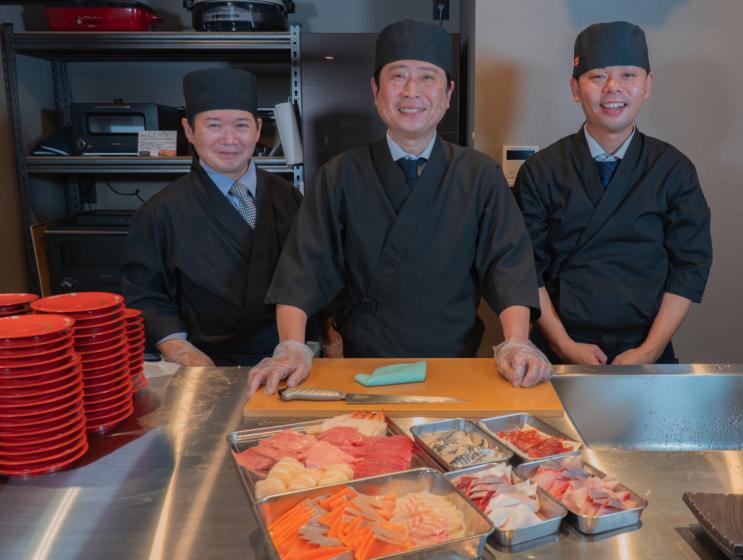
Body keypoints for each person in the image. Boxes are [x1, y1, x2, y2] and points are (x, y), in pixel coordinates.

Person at [248, 19, 551, 395]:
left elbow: (509, 268)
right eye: (397, 77)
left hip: (455, 368)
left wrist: (517, 341)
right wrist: (291, 346)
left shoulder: (480, 175)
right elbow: (303, 268)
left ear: (448, 92)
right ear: (376, 89)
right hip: (364, 370)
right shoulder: (339, 174)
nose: (412, 91)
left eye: (427, 77)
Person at [514, 21, 713, 365]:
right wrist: (563, 345)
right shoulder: (541, 170)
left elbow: (690, 265)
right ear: (575, 89)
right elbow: (525, 269)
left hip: (646, 348)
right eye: (597, 77)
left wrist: (649, 351)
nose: (613, 88)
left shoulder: (673, 169)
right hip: (556, 350)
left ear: (648, 85)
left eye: (628, 76)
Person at [121, 68, 302, 367]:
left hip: (287, 358)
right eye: (214, 125)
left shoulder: (288, 197)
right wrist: (179, 349)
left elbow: (311, 275)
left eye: (241, 125)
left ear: (257, 129)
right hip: (205, 363)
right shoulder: (160, 211)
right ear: (189, 130)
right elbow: (144, 294)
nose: (229, 139)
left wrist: (304, 347)